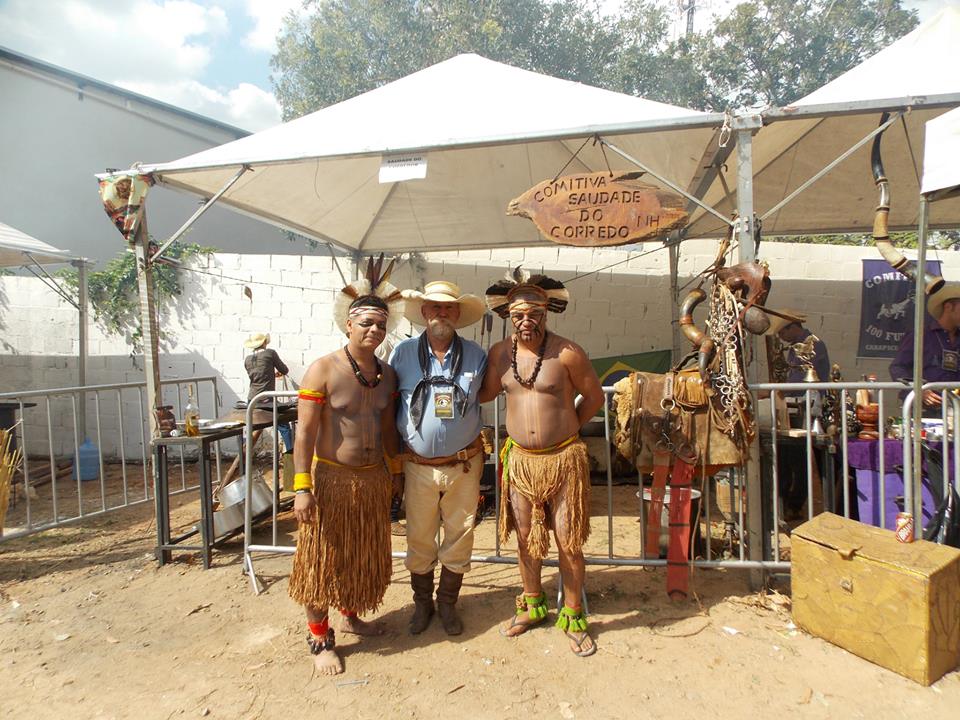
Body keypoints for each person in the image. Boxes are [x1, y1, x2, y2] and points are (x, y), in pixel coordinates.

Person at [479, 269, 604, 658]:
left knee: (568, 540)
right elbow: (483, 395)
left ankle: (572, 612)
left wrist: (568, 430)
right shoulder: (500, 355)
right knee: (527, 541)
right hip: (520, 463)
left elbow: (595, 397)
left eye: (534, 313)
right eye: (518, 315)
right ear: (509, 316)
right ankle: (532, 604)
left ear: (547, 313)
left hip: (564, 460)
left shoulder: (568, 353)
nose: (526, 321)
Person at [287, 262, 404, 676]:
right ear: (349, 325)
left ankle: (351, 615)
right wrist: (302, 487)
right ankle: (320, 637)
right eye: (367, 323)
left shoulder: (387, 374)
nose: (374, 331)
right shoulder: (323, 368)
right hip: (331, 480)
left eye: (381, 326)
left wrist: (397, 471)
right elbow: (303, 435)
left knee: (358, 555)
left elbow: (389, 428)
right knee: (321, 560)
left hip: (372, 479)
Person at [389, 280, 488, 636]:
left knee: (460, 535)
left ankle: (447, 604)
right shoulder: (401, 355)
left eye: (448, 307)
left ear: (457, 314)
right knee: (418, 537)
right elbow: (389, 405)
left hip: (463, 465)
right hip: (417, 466)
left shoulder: (477, 355)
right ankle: (422, 605)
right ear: (424, 313)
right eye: (434, 307)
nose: (441, 313)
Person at [767, 309, 831, 518]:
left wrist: (776, 390)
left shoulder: (812, 345)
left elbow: (801, 380)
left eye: (782, 334)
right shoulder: (798, 347)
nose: (781, 338)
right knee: (789, 456)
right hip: (796, 404)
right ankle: (788, 501)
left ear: (792, 328)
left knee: (799, 459)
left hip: (807, 406)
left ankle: (794, 504)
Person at [219, 332, 291, 488]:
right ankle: (291, 460)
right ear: (265, 342)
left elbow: (258, 377)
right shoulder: (270, 353)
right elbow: (284, 370)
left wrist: (270, 374)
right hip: (266, 398)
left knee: (249, 428)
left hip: (252, 399)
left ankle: (244, 459)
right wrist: (275, 374)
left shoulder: (248, 360)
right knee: (284, 426)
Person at [890, 283, 960, 411]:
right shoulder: (921, 335)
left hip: (955, 409)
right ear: (948, 307)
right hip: (924, 411)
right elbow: (897, 367)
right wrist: (920, 390)